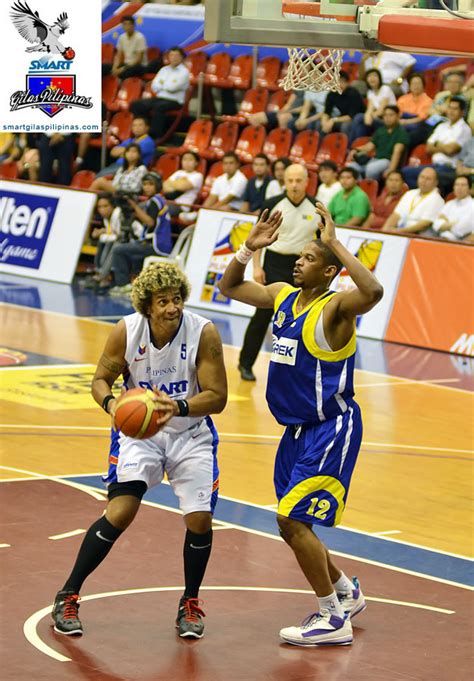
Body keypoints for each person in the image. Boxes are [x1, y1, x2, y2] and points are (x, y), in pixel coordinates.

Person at [218, 204, 383, 646]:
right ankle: (347, 594)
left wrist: (333, 243)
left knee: (290, 520)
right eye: (300, 257)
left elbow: (374, 290)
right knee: (297, 524)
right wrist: (247, 249)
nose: (298, 261)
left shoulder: (337, 309)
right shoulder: (281, 296)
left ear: (328, 271)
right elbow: (228, 286)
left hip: (331, 426)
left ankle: (333, 618)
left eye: (308, 258)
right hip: (294, 431)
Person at [51, 261, 228, 640]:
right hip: (140, 435)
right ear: (146, 306)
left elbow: (218, 397)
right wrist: (113, 406)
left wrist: (177, 407)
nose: (172, 307)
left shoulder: (203, 332)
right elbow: (100, 379)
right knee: (121, 511)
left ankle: (190, 603)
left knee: (199, 520)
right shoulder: (127, 330)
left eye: (176, 299)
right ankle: (68, 595)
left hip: (190, 433)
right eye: (163, 301)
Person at [238, 164, 321, 381]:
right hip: (273, 263)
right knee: (262, 315)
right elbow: (257, 237)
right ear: (284, 181)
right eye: (290, 180)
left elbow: (323, 244)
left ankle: (298, 371)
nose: (294, 185)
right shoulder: (272, 204)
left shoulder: (317, 207)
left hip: (302, 266)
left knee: (300, 319)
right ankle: (245, 363)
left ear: (306, 182)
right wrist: (257, 267)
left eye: (298, 180)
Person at [109, 172, 172, 295]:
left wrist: (134, 206)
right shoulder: (160, 200)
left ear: (158, 186)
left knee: (118, 250)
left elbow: (150, 222)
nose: (147, 187)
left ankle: (123, 285)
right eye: (144, 184)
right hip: (161, 244)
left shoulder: (154, 201)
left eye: (150, 184)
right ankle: (134, 284)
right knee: (130, 251)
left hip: (155, 245)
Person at [402, 97, 472, 193]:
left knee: (427, 178)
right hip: (434, 165)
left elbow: (451, 150)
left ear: (462, 112)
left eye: (455, 109)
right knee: (405, 173)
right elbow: (428, 148)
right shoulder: (441, 126)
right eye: (450, 108)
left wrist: (437, 144)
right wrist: (444, 146)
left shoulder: (464, 129)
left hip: (449, 168)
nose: (451, 111)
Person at [130, 47, 190, 139]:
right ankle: (143, 130)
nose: (173, 57)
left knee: (160, 107)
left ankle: (154, 136)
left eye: (176, 55)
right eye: (171, 55)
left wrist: (163, 84)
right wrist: (166, 85)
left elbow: (172, 88)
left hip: (175, 101)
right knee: (136, 104)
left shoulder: (184, 72)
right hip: (160, 98)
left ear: (182, 57)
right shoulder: (164, 70)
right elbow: (154, 85)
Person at [347, 105, 409, 182]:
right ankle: (360, 187)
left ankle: (369, 190)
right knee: (351, 167)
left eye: (391, 115)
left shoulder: (401, 133)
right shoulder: (380, 130)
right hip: (375, 160)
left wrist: (391, 170)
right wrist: (355, 150)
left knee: (371, 168)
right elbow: (369, 147)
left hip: (387, 161)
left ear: (398, 116)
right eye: (385, 115)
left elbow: (397, 153)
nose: (387, 118)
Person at [382, 166, 444, 234]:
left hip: (418, 236)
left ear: (436, 182)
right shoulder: (409, 193)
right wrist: (384, 232)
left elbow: (424, 224)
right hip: (399, 232)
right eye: (422, 177)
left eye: (428, 179)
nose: (423, 181)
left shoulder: (437, 199)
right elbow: (395, 215)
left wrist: (400, 231)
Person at [349, 68, 397, 143]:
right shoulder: (370, 92)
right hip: (376, 118)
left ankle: (349, 146)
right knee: (361, 126)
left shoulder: (385, 89)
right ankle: (358, 147)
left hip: (387, 119)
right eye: (369, 76)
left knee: (359, 117)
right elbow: (369, 109)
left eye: (374, 76)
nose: (372, 78)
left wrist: (369, 116)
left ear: (379, 78)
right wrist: (367, 115)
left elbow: (381, 111)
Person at [318, 71, 365, 138]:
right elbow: (326, 112)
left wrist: (333, 120)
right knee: (320, 124)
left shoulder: (353, 94)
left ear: (348, 83)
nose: (340, 84)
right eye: (337, 81)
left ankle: (347, 147)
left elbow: (351, 117)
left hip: (357, 119)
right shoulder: (332, 93)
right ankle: (322, 146)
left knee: (345, 126)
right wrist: (324, 122)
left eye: (343, 81)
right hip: (342, 117)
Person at [104, 15, 148, 80]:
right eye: (125, 24)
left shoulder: (140, 37)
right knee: (103, 68)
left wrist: (122, 69)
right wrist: (114, 68)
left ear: (133, 25)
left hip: (139, 66)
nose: (127, 26)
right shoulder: (122, 37)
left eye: (129, 24)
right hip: (126, 64)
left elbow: (138, 60)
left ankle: (121, 86)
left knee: (127, 72)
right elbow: (118, 55)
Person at [162, 150, 203, 217]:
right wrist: (180, 182)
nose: (187, 162)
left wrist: (172, 184)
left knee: (158, 211)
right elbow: (164, 186)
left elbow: (183, 187)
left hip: (181, 207)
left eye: (190, 160)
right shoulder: (178, 173)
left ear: (196, 163)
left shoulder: (198, 176)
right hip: (168, 202)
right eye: (184, 159)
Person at [432, 175, 474, 241]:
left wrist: (446, 222)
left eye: (463, 185)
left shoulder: (472, 205)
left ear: (470, 188)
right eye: (457, 185)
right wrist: (453, 223)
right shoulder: (449, 204)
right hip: (441, 239)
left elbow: (460, 229)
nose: (459, 188)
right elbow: (436, 225)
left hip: (459, 243)